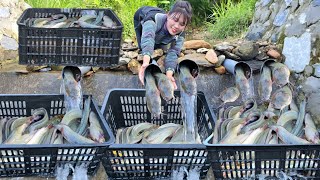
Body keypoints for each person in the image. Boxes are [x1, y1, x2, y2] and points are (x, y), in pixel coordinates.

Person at [134, 1, 193, 89]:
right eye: (175, 20)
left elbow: (173, 52)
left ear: (185, 26)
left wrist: (169, 73)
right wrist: (146, 62)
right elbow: (148, 37)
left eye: (182, 24)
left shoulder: (181, 34)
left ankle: (159, 40)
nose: (177, 26)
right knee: (144, 47)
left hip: (164, 25)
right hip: (142, 15)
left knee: (160, 47)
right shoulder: (152, 19)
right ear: (168, 15)